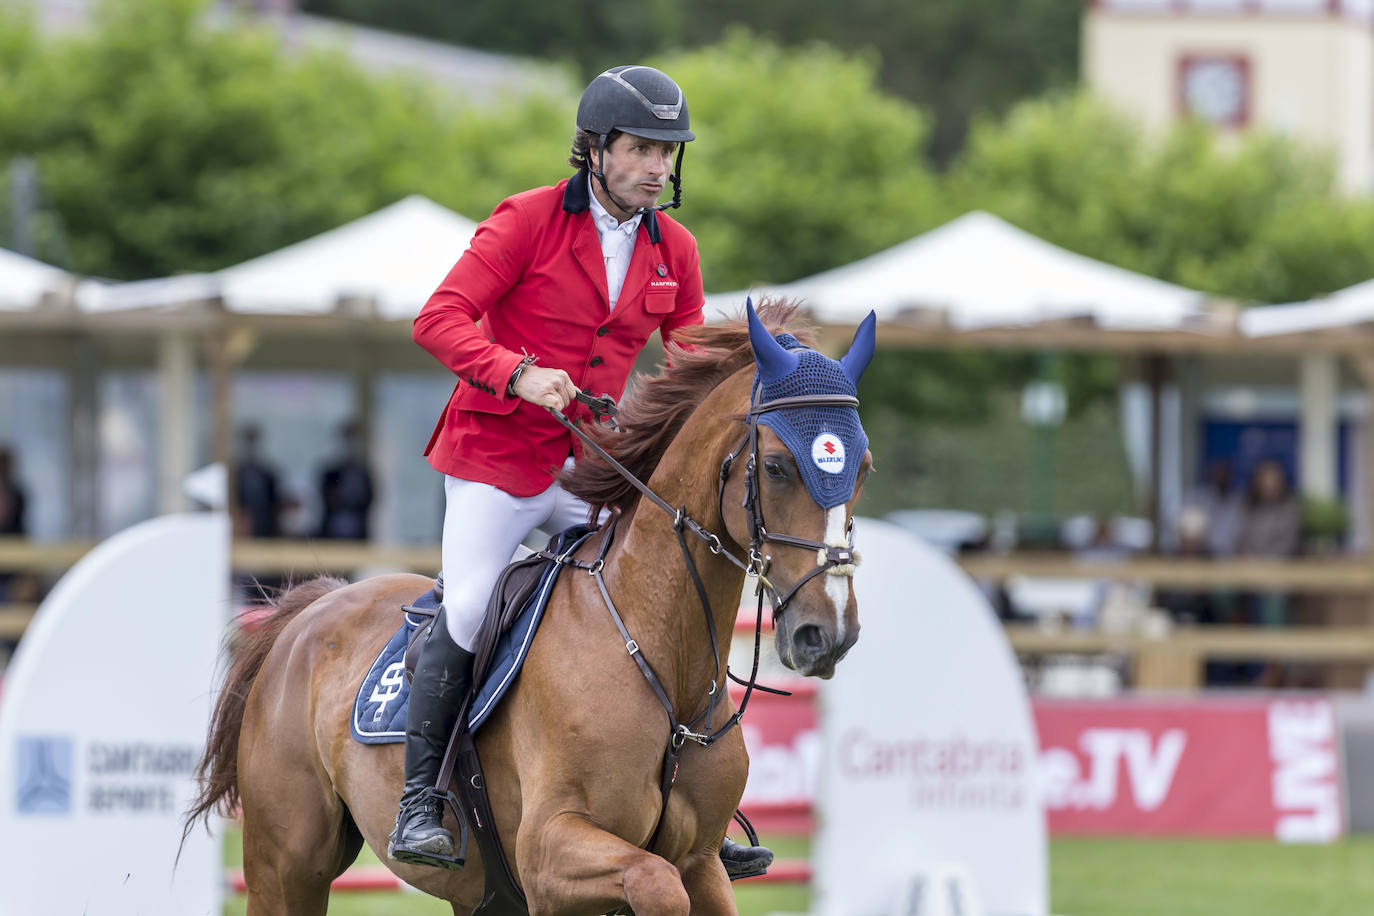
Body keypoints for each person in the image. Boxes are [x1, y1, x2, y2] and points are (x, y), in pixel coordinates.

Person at [390, 65, 773, 879]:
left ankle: (695, 807)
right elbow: (439, 318)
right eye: (641, 149)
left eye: (668, 153)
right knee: (466, 607)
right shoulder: (526, 221)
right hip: (495, 460)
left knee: (664, 589)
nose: (659, 167)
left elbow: (690, 364)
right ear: (596, 150)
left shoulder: (676, 249)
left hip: (586, 468)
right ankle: (421, 799)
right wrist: (515, 372)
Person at [316, 419, 374, 540]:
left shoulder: (365, 474)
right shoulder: (329, 473)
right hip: (331, 534)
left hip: (359, 534)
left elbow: (369, 500)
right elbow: (327, 499)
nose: (352, 445)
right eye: (348, 439)